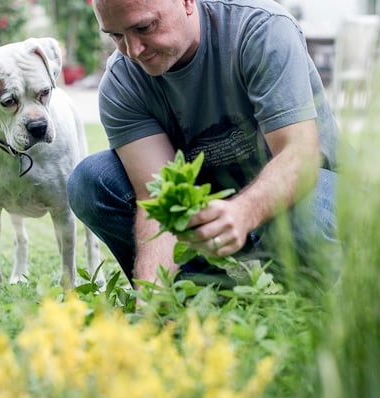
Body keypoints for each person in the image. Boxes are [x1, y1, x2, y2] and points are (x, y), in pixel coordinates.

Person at [67, 0, 340, 289]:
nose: (133, 51)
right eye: (116, 36)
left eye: (144, 27)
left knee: (302, 219)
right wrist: (151, 295)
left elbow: (299, 154)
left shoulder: (261, 28)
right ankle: (204, 293)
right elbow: (157, 196)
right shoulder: (122, 79)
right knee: (92, 180)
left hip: (310, 189)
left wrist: (243, 212)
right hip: (205, 210)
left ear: (186, 2)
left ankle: (301, 291)